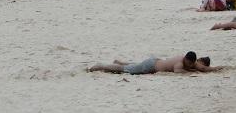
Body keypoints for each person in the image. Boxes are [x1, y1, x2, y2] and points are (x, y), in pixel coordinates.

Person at [89, 51, 222, 74]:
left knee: (132, 66)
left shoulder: (190, 61)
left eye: (192, 64)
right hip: (151, 66)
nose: (191, 66)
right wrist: (193, 72)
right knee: (126, 70)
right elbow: (178, 71)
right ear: (186, 59)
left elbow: (203, 68)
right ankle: (101, 66)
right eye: (189, 64)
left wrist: (219, 68)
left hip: (154, 62)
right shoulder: (180, 64)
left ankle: (119, 62)